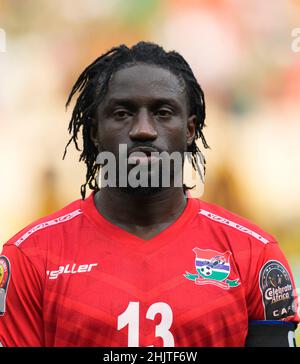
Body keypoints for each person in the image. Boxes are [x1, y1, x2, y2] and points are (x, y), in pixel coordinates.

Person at [0, 42, 298, 347]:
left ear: (190, 129)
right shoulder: (30, 258)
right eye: (122, 113)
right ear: (94, 131)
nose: (143, 130)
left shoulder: (253, 255)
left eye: (163, 112)